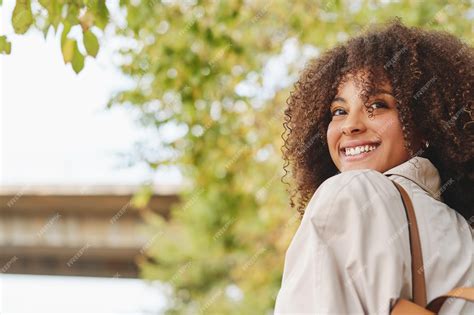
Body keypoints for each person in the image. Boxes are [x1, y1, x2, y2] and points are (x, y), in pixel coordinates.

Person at [274, 19, 473, 314]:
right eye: (339, 111)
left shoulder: (352, 192)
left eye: (378, 105)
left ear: (427, 123)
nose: (351, 125)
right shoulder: (464, 234)